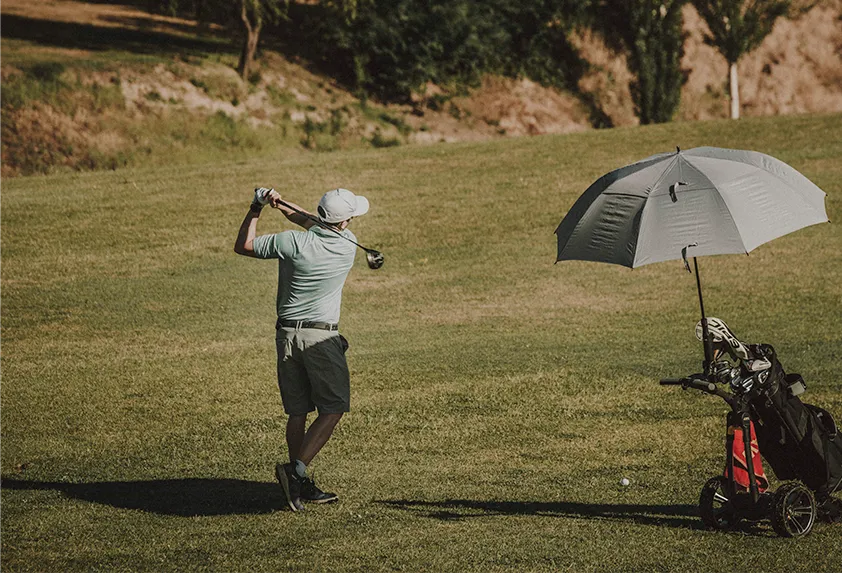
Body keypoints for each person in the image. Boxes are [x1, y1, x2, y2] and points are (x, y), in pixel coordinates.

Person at [234, 186, 370, 512]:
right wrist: (283, 206)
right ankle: (295, 472)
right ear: (345, 222)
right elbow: (310, 221)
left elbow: (245, 245)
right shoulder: (347, 246)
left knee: (298, 411)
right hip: (321, 340)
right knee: (334, 408)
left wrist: (260, 206)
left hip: (286, 338)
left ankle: (300, 484)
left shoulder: (291, 243)